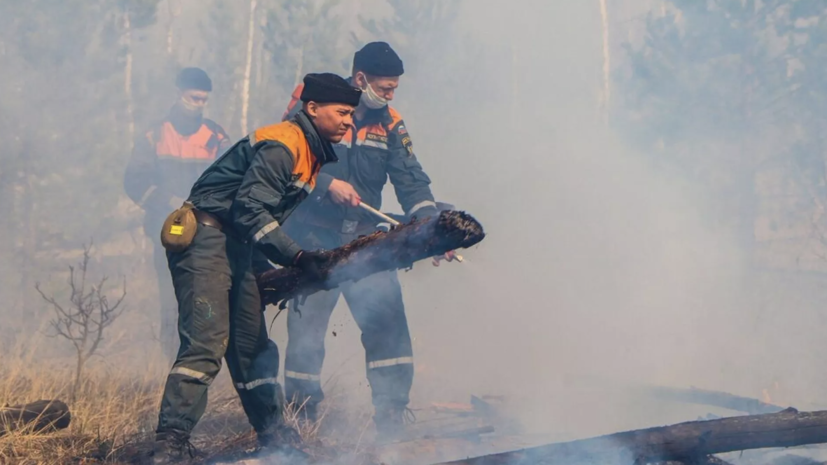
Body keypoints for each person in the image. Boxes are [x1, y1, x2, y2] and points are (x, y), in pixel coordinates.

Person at [151, 73, 362, 463]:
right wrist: (297, 256)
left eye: (352, 114)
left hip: (236, 247)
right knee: (207, 343)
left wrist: (274, 260)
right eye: (343, 112)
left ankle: (273, 434)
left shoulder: (309, 151)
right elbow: (250, 209)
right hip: (205, 240)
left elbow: (254, 217)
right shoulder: (284, 144)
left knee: (253, 348)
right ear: (313, 109)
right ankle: (169, 441)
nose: (350, 121)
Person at [279, 42, 457, 439]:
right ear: (360, 79)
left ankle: (391, 419)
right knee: (306, 334)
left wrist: (431, 229)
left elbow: (412, 180)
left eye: (395, 89)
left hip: (365, 243)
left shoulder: (391, 122)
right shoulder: (315, 103)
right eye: (386, 87)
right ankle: (301, 419)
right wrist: (325, 184)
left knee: (388, 327)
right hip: (314, 241)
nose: (391, 95)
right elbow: (283, 162)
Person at [124, 67, 232, 362]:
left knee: (207, 297)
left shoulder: (216, 136)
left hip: (209, 232)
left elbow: (232, 178)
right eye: (194, 98)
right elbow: (134, 181)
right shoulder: (155, 135)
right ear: (179, 93)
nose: (198, 105)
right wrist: (168, 202)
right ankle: (171, 360)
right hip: (170, 232)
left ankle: (204, 358)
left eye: (203, 100)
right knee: (171, 297)